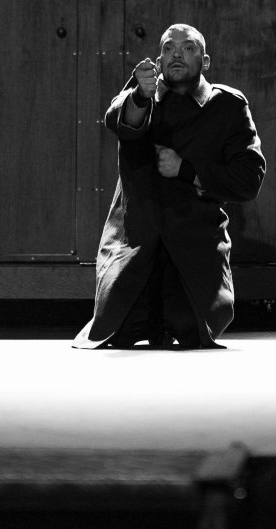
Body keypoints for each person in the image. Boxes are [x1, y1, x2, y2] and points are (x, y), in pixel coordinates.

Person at [72, 23, 266, 350]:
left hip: (195, 241)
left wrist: (186, 170)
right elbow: (121, 120)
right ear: (159, 61)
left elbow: (249, 178)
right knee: (118, 329)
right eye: (168, 49)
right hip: (135, 240)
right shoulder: (141, 94)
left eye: (188, 48)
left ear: (205, 61)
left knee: (190, 326)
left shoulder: (228, 106)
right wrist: (140, 94)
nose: (176, 54)